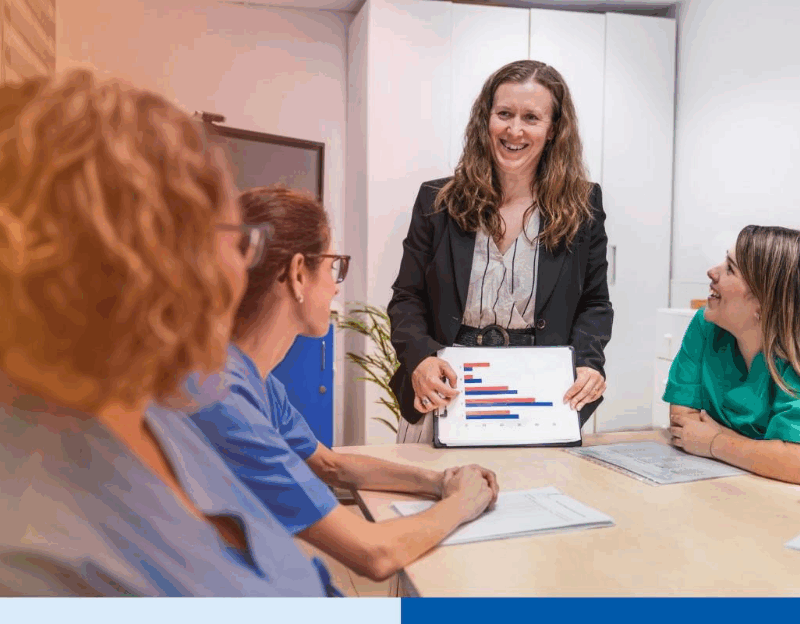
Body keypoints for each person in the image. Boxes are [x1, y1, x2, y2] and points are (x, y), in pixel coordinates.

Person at [0, 70, 334, 596]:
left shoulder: (157, 408)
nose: (240, 269)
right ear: (140, 257)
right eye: (236, 239)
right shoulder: (32, 567)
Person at [189, 185, 500, 583]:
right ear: (298, 273)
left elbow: (331, 466)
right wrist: (461, 504)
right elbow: (374, 553)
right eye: (333, 266)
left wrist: (439, 481)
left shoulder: (256, 382)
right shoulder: (225, 396)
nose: (337, 286)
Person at [388, 60, 613, 443]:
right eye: (504, 114)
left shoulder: (582, 205)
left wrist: (589, 363)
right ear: (486, 118)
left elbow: (594, 304)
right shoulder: (436, 201)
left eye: (531, 117)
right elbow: (407, 298)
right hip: (446, 390)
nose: (514, 130)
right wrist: (422, 358)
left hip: (537, 396)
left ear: (554, 128)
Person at [666, 225, 800, 483]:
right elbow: (683, 424)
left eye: (730, 268)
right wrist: (758, 452)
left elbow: (795, 462)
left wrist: (716, 442)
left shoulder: (793, 356)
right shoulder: (706, 325)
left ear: (764, 300)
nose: (711, 272)